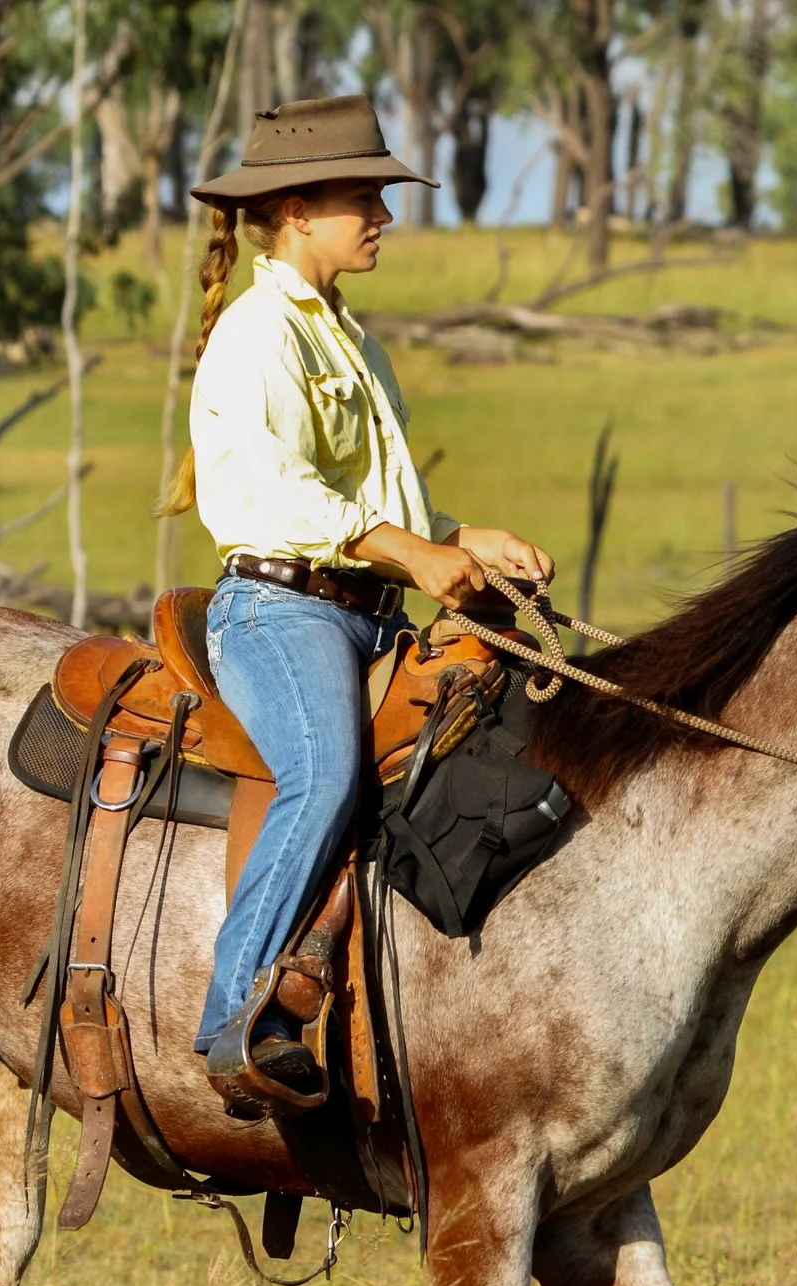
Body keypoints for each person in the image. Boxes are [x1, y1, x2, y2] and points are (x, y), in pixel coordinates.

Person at [161, 96, 553, 1111]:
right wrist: (415, 554)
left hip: (364, 606)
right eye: (362, 195)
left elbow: (377, 505)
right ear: (296, 209)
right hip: (281, 610)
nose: (382, 212)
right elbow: (284, 496)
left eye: (382, 194)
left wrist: (463, 540)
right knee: (325, 771)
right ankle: (236, 1017)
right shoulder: (257, 336)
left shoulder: (347, 338)